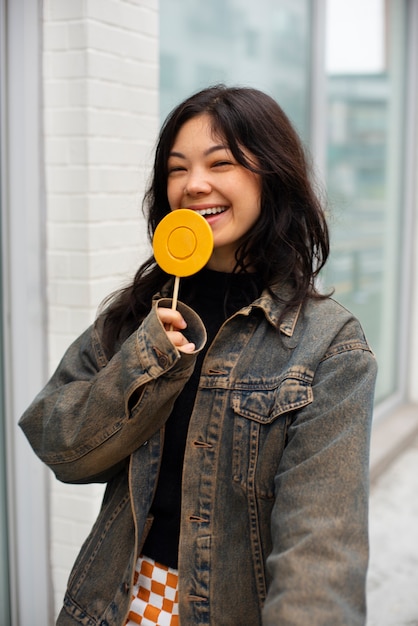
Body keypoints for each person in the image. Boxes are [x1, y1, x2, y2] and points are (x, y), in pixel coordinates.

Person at [19, 85, 377, 626]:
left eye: (222, 162)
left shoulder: (331, 346)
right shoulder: (138, 314)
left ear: (272, 174)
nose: (194, 185)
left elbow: (320, 550)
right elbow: (58, 443)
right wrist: (144, 360)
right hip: (114, 607)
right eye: (177, 168)